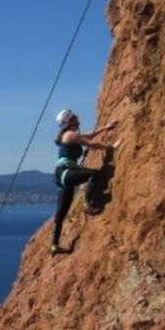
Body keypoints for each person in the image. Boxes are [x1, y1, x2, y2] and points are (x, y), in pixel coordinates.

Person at [51, 109, 120, 256]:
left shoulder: (69, 134)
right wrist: (111, 147)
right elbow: (92, 143)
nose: (78, 117)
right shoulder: (70, 135)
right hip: (65, 172)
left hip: (62, 174)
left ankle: (54, 246)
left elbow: (89, 135)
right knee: (94, 174)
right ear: (70, 121)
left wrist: (105, 128)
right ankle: (87, 204)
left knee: (61, 214)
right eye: (75, 117)